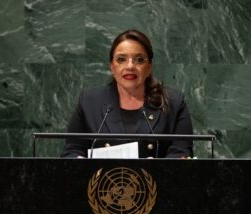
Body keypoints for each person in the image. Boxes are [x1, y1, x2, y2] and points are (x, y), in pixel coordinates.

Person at [61, 29, 193, 158]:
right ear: (112, 66)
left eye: (139, 60)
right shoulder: (89, 102)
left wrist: (158, 169)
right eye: (121, 59)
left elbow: (181, 152)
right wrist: (78, 161)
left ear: (149, 68)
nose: (130, 66)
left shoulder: (174, 102)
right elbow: (72, 150)